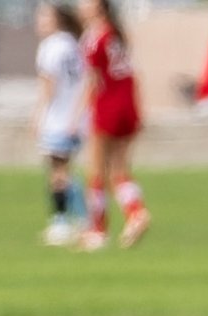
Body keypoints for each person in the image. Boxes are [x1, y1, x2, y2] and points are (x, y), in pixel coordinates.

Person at [76, 0, 150, 251]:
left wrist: (77, 116)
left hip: (107, 104)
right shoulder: (116, 33)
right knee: (119, 168)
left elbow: (93, 81)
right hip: (128, 102)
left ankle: (98, 230)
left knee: (96, 169)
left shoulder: (94, 37)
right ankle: (136, 212)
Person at [32, 2, 86, 247]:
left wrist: (38, 115)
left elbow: (48, 86)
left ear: (57, 20)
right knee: (66, 170)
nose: (39, 21)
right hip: (76, 117)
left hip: (57, 118)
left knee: (58, 172)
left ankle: (63, 222)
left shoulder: (51, 46)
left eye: (44, 16)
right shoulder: (74, 44)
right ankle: (82, 221)